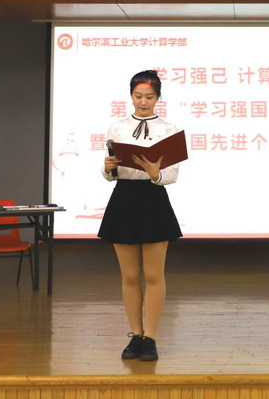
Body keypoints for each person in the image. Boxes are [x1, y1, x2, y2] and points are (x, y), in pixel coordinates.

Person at [100, 70, 183, 362]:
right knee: (130, 275)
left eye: (149, 97)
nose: (143, 102)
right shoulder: (117, 128)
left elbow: (172, 175)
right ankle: (135, 335)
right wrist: (108, 168)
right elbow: (110, 174)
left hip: (153, 200)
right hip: (123, 199)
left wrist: (155, 173)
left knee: (154, 275)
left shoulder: (169, 129)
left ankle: (151, 337)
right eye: (138, 96)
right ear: (131, 96)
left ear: (158, 97)